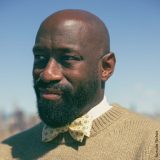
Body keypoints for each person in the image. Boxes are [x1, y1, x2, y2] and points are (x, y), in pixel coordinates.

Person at [0, 9, 159, 160]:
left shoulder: (151, 144)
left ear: (106, 67)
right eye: (40, 58)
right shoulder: (6, 152)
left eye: (68, 58)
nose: (47, 74)